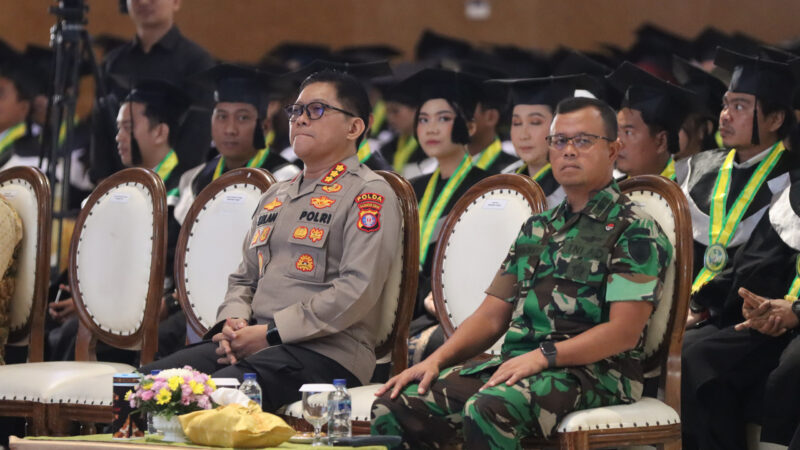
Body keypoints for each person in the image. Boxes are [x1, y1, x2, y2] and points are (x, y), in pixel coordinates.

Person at [371, 96, 672, 449]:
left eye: (583, 140)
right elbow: (491, 316)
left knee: (489, 408)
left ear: (612, 149)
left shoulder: (633, 228)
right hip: (521, 365)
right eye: (559, 141)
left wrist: (545, 357)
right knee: (396, 404)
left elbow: (623, 332)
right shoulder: (537, 227)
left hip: (598, 373)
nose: (569, 151)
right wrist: (435, 361)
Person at [140, 69, 402, 413]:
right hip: (256, 346)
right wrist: (233, 323)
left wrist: (272, 334)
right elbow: (244, 278)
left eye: (317, 110)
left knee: (204, 399)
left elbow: (357, 290)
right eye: (296, 111)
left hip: (326, 354)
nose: (301, 119)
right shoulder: (277, 194)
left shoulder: (369, 193)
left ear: (355, 127)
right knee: (145, 386)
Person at [46, 78, 191, 363]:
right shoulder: (126, 188)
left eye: (127, 128)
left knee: (70, 334)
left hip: (153, 311)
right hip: (108, 304)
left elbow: (169, 270)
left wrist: (95, 304)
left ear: (159, 132)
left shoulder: (184, 191)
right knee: (47, 324)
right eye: (117, 128)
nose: (118, 137)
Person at [682, 48, 798, 328]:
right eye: (725, 105)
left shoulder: (792, 181)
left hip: (738, 318)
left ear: (775, 119)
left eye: (740, 107)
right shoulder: (697, 168)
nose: (725, 116)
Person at [392, 68, 489, 365]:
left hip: (456, 307)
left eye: (444, 118)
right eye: (423, 119)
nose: (431, 128)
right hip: (408, 302)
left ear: (469, 127)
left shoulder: (487, 188)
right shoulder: (412, 188)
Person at [90, 0, 214, 183]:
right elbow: (101, 126)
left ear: (176, 2)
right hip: (117, 187)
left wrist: (172, 186)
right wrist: (104, 182)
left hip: (175, 189)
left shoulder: (196, 62)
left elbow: (198, 132)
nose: (144, 2)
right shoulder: (113, 63)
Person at [492, 74, 593, 208]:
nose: (523, 135)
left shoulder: (579, 188)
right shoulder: (502, 181)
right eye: (516, 123)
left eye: (535, 122)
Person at [607, 61, 697, 181]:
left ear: (661, 141)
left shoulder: (688, 191)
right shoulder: (611, 193)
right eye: (617, 132)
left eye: (628, 132)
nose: (618, 143)